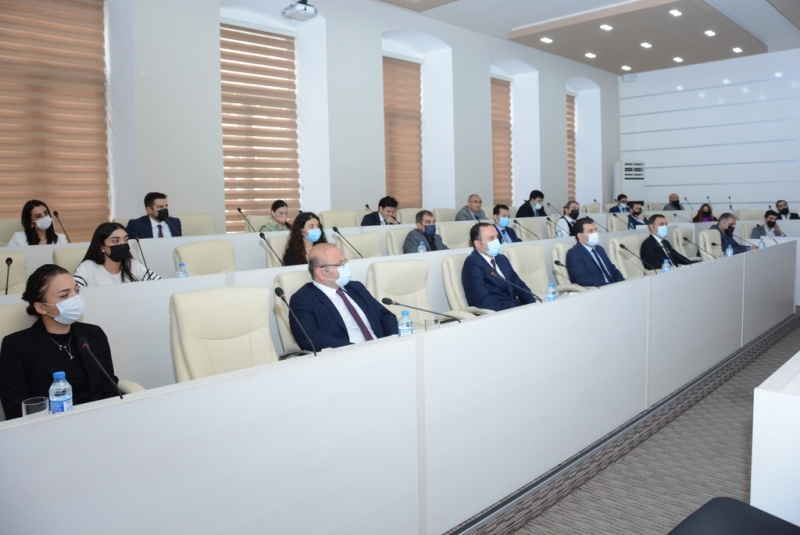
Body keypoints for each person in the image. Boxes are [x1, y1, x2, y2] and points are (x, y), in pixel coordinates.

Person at [0, 264, 119, 420]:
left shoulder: (94, 334)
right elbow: (16, 409)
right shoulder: (16, 346)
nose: (75, 298)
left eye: (76, 290)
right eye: (64, 295)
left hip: (100, 419)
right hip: (48, 426)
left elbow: (110, 388)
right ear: (41, 307)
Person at [288, 243, 397, 351]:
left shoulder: (356, 287)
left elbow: (385, 316)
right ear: (321, 272)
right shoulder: (303, 299)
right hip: (346, 355)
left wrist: (391, 341)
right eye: (340, 264)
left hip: (382, 348)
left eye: (345, 262)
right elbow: (309, 338)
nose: (346, 267)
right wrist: (356, 350)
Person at [461, 223, 536, 311]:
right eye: (491, 238)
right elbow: (483, 301)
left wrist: (532, 305)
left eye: (497, 237)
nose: (496, 241)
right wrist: (516, 308)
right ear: (478, 244)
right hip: (497, 313)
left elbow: (519, 286)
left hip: (516, 309)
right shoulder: (472, 264)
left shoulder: (501, 259)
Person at [74, 222, 161, 287]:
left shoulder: (133, 265)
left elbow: (160, 284)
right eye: (115, 241)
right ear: (102, 247)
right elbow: (73, 296)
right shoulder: (87, 267)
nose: (122, 244)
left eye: (125, 240)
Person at [566, 217, 625, 287]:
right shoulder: (574, 254)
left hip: (614, 287)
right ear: (580, 236)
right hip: (599, 289)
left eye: (595, 230)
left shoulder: (600, 249)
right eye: (590, 231)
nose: (595, 233)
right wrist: (609, 286)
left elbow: (612, 269)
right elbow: (583, 278)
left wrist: (623, 284)